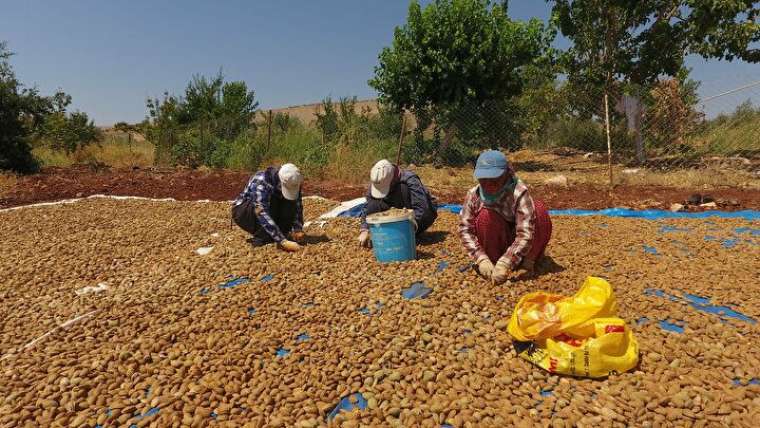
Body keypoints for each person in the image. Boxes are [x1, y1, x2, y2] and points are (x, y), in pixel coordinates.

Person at [459, 150, 552, 284]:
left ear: (506, 174)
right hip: (495, 246)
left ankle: (528, 262)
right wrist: (481, 258)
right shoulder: (474, 195)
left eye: (495, 179)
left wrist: (506, 263)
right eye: (483, 180)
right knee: (486, 216)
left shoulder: (519, 192)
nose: (489, 184)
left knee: (539, 210)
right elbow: (465, 230)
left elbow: (525, 233)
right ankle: (492, 263)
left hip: (521, 247)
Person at [358, 159, 438, 247]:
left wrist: (408, 227)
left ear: (392, 179)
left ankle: (408, 233)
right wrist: (365, 229)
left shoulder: (409, 179)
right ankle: (391, 230)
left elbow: (422, 208)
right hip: (395, 209)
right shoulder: (378, 180)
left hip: (420, 214)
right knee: (374, 201)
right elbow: (369, 206)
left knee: (403, 189)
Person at [232, 163, 305, 252]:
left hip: (267, 208)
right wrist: (283, 241)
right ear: (280, 181)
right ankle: (263, 237)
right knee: (268, 205)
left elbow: (297, 205)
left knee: (289, 203)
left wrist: (297, 229)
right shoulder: (261, 181)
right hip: (244, 211)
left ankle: (276, 235)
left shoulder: (294, 182)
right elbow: (261, 212)